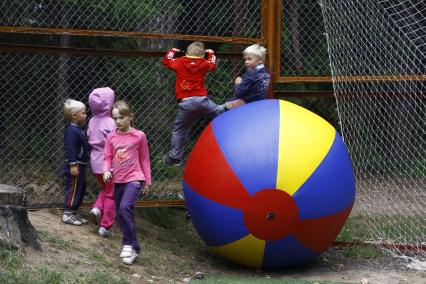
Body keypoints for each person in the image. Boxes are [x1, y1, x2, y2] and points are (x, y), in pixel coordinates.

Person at [162, 41, 227, 166]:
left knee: (179, 130)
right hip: (202, 100)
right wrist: (211, 53)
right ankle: (228, 106)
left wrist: (173, 51)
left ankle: (175, 157)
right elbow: (212, 64)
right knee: (218, 111)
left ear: (186, 53)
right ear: (201, 56)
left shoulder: (180, 62)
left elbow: (166, 61)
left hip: (185, 103)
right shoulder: (203, 63)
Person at [103, 100, 151, 265]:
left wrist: (147, 181)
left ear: (131, 116)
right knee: (121, 213)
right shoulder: (111, 137)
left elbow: (144, 159)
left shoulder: (139, 136)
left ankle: (127, 243)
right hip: (117, 180)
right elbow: (107, 157)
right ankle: (134, 247)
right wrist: (106, 170)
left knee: (124, 209)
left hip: (134, 179)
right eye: (115, 118)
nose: (118, 121)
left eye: (121, 117)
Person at [87, 87, 116, 237]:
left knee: (106, 189)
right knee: (112, 194)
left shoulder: (92, 121)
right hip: (108, 163)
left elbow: (89, 136)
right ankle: (105, 226)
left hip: (95, 161)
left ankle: (97, 208)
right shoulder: (111, 122)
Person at [62, 99, 89, 226]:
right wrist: (73, 164)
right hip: (75, 164)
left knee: (81, 187)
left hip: (81, 164)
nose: (85, 115)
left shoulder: (78, 129)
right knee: (73, 187)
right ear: (74, 115)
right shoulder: (72, 130)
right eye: (83, 113)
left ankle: (74, 211)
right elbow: (71, 147)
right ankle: (67, 213)